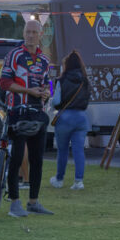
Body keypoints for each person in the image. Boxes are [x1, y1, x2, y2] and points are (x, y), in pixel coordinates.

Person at [0, 19, 52, 218]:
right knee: (18, 157)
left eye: (34, 32)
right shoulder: (14, 56)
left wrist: (46, 92)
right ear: (23, 34)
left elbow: (50, 84)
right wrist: (28, 90)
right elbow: (4, 82)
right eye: (27, 32)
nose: (30, 35)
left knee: (37, 159)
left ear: (40, 35)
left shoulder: (44, 60)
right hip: (17, 111)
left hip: (38, 112)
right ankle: (14, 203)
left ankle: (33, 202)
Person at [49, 50, 90, 191]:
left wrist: (52, 105)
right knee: (79, 150)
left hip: (64, 118)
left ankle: (59, 179)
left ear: (66, 65)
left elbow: (56, 100)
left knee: (63, 151)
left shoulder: (61, 80)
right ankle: (79, 181)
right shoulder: (85, 80)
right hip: (81, 118)